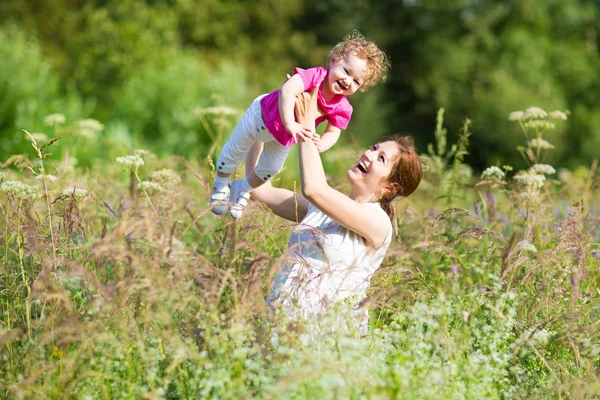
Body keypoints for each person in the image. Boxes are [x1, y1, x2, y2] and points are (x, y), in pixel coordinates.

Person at [248, 88, 423, 333]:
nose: (368, 154)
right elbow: (260, 192)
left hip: (326, 342)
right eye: (374, 148)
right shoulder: (319, 209)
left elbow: (314, 188)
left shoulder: (378, 224)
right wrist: (258, 126)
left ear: (390, 187)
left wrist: (306, 122)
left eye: (381, 158)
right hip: (278, 331)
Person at [210, 31, 390, 218]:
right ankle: (220, 186)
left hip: (283, 137)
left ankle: (242, 188)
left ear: (361, 87)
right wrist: (290, 123)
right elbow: (287, 91)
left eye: (356, 81)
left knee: (270, 169)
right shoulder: (316, 77)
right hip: (261, 115)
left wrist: (322, 143)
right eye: (346, 71)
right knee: (234, 151)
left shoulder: (343, 107)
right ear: (334, 61)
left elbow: (334, 130)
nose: (347, 81)